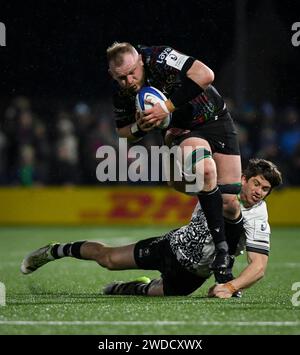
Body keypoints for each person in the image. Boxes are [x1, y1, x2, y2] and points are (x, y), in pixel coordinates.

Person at [20, 159, 282, 298]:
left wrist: (231, 287)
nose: (258, 192)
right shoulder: (218, 188)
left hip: (191, 277)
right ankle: (55, 251)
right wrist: (179, 163)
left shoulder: (258, 216)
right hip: (169, 246)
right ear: (243, 179)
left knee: (147, 292)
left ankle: (128, 287)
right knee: (108, 259)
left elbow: (258, 267)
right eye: (256, 184)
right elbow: (177, 184)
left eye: (265, 189)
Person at [107, 42, 242, 276]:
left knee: (230, 203)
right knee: (206, 172)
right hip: (182, 130)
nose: (128, 81)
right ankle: (220, 251)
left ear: (140, 60)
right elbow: (123, 133)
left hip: (216, 118)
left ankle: (227, 259)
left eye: (132, 73)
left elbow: (205, 74)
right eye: (121, 78)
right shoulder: (122, 94)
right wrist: (140, 127)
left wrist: (165, 108)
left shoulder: (159, 57)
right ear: (112, 75)